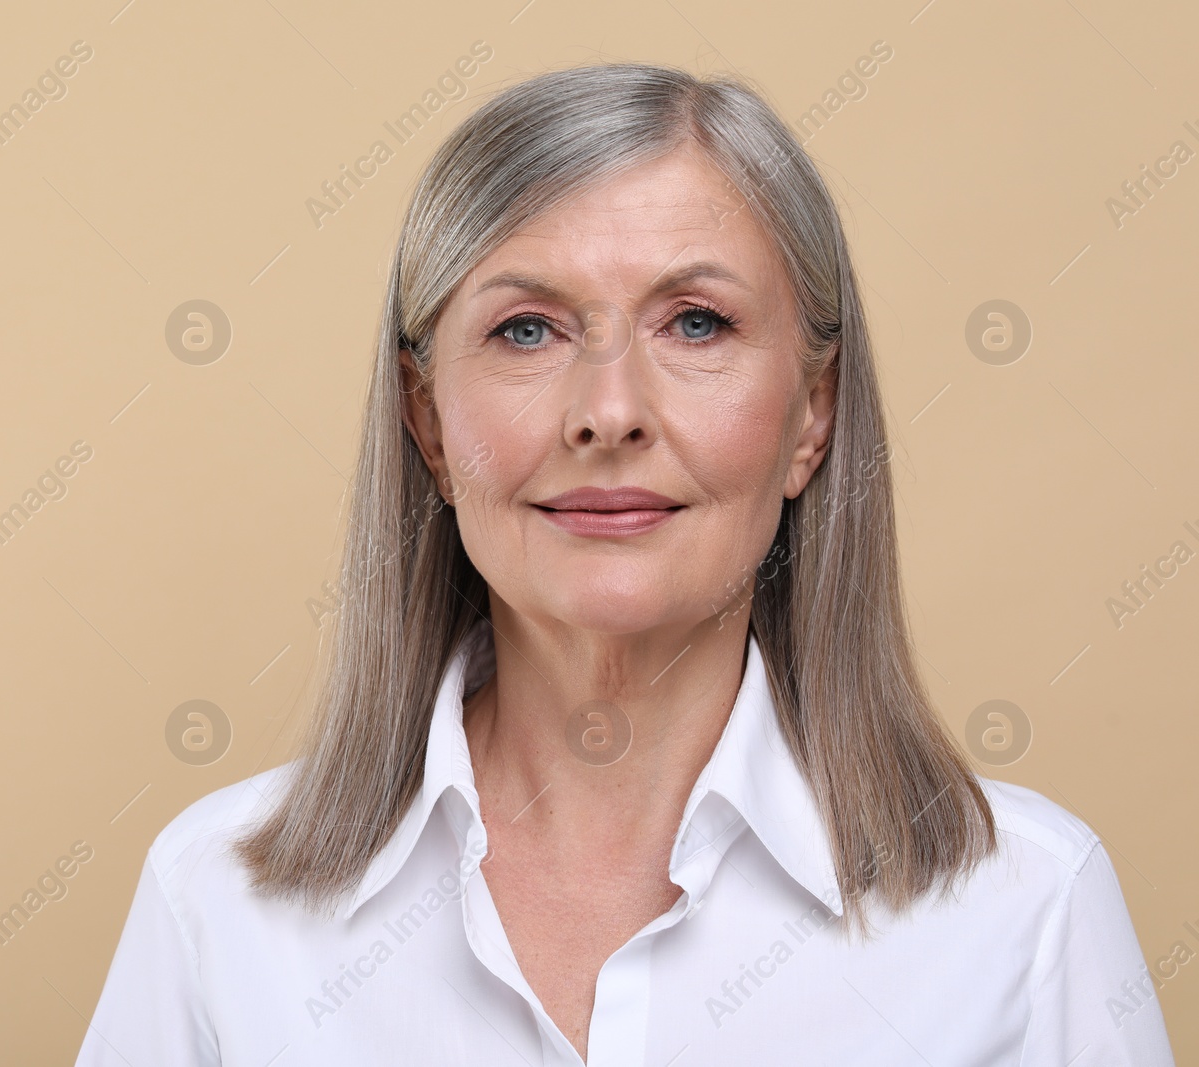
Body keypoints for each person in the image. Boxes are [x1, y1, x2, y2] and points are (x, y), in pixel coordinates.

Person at [74, 63, 1177, 1065]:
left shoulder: (1025, 907)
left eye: (695, 323)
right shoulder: (216, 902)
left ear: (812, 416)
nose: (608, 412)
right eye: (526, 330)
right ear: (426, 420)